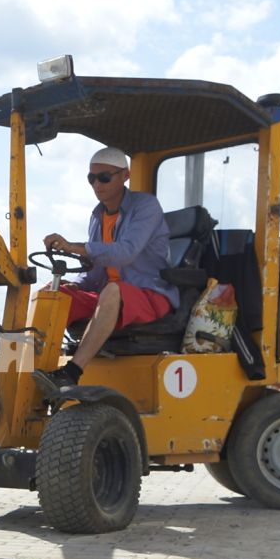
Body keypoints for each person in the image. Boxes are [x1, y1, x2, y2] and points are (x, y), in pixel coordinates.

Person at [34, 147, 178, 393]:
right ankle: (30, 370)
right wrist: (76, 285)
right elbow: (95, 273)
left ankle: (71, 372)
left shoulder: (146, 207)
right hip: (109, 296)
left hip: (149, 294)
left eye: (104, 177)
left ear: (125, 175)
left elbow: (125, 253)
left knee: (113, 290)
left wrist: (74, 247)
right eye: (91, 178)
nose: (96, 185)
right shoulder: (97, 216)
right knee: (51, 294)